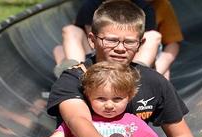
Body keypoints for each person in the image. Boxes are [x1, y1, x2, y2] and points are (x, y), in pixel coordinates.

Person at [0, 0, 202, 137]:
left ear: (140, 44)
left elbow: (179, 133)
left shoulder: (154, 81)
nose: (120, 48)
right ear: (92, 40)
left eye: (129, 42)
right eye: (110, 40)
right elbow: (77, 119)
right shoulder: (74, 78)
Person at [31, 61, 168, 137]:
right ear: (88, 96)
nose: (109, 105)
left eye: (117, 99)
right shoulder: (85, 121)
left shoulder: (133, 122)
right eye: (101, 99)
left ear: (129, 97)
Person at [54, 0, 183, 80]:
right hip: (99, 52)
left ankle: (136, 75)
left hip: (131, 56)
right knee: (63, 41)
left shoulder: (145, 8)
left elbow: (164, 42)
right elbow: (89, 34)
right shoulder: (91, 5)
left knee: (154, 38)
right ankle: (76, 73)